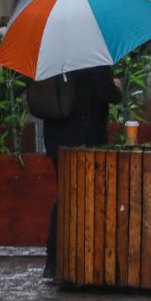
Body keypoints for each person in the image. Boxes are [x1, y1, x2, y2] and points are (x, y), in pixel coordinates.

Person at [41, 65, 122, 279]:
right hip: (86, 135)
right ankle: (82, 260)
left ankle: (54, 260)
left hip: (56, 134)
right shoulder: (91, 51)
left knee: (65, 196)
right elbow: (107, 92)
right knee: (89, 197)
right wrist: (117, 87)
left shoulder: (53, 52)